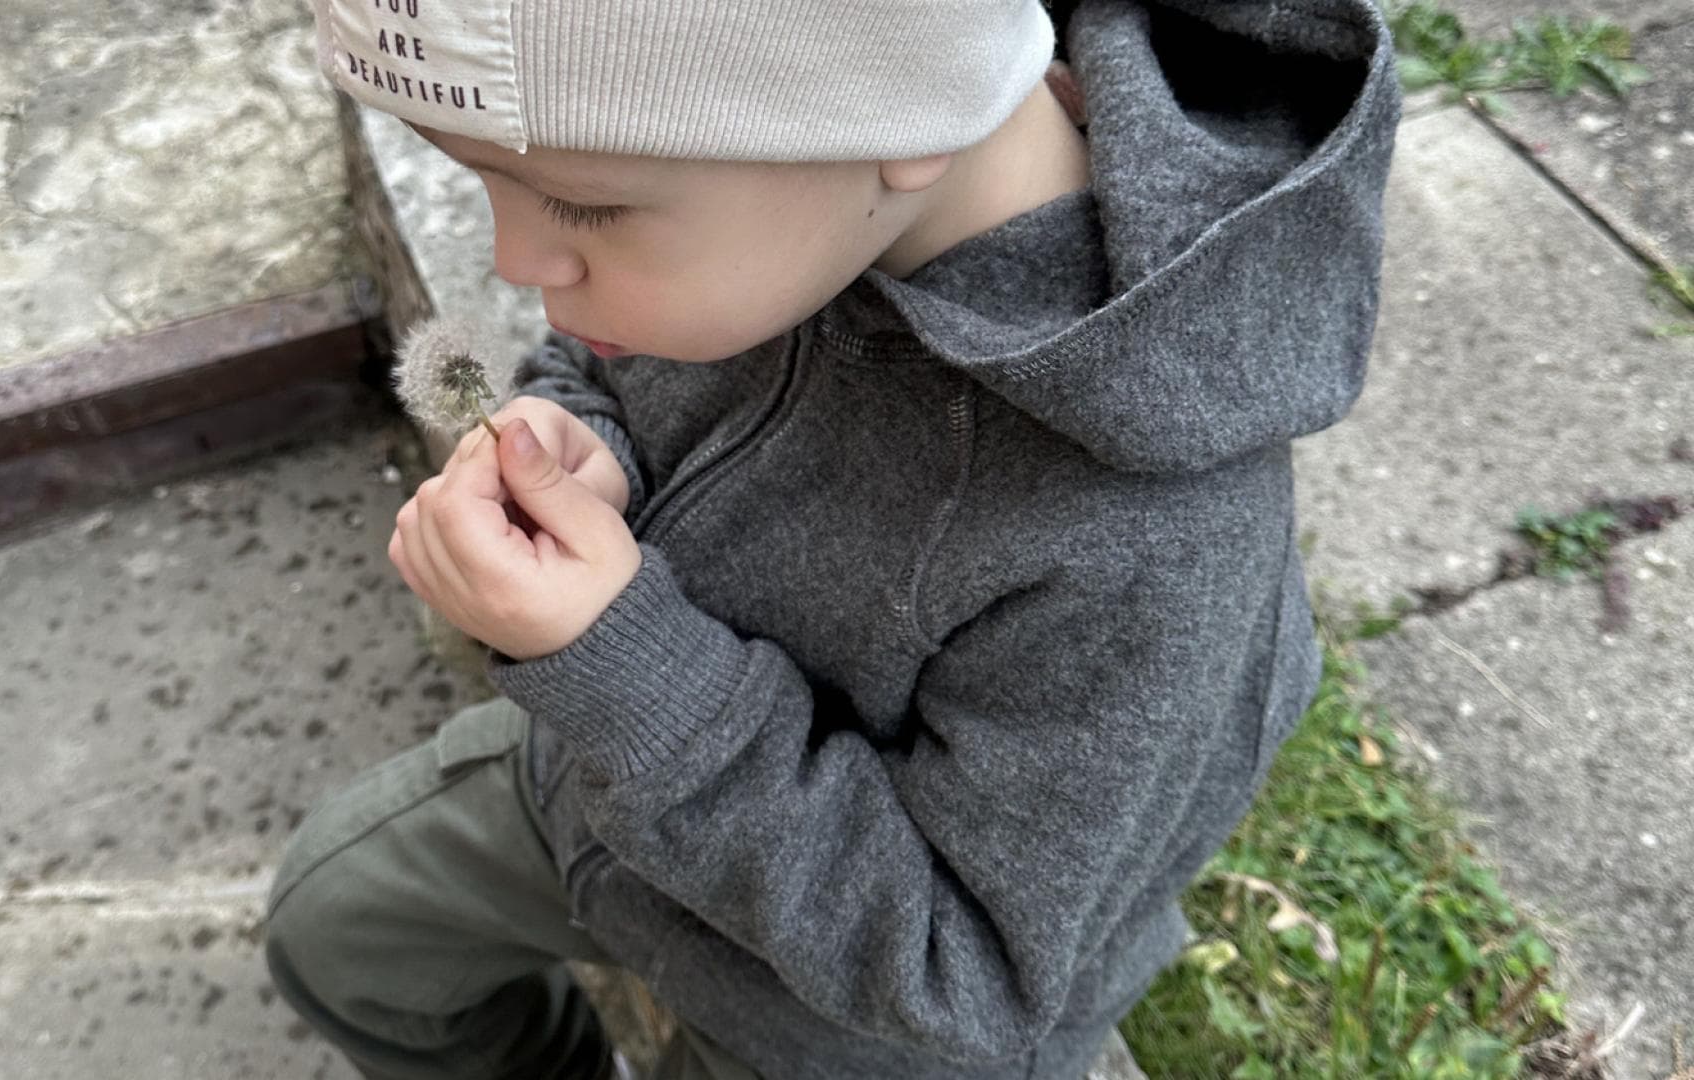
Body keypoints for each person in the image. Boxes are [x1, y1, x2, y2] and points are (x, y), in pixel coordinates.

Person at [263, 0, 1403, 1077]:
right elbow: (611, 362)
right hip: (600, 799)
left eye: (586, 207)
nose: (518, 263)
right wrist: (588, 434)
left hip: (829, 1020)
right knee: (341, 929)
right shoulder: (787, 208)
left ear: (898, 114)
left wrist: (627, 669)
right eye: (485, 183)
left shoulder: (1147, 544)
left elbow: (966, 973)